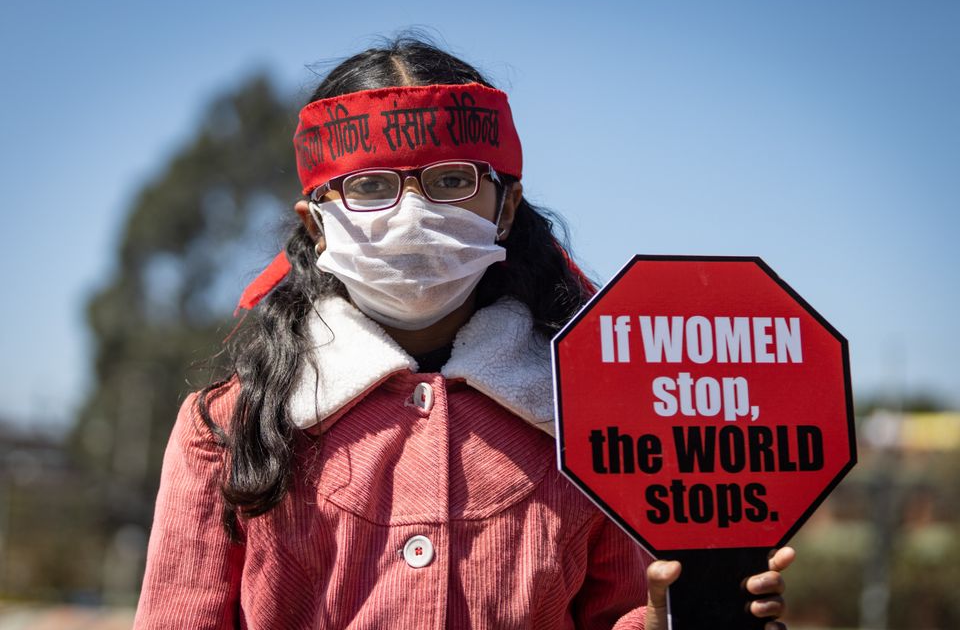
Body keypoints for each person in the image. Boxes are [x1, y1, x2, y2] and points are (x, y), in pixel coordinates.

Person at [134, 37, 794, 629]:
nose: (414, 213)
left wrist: (674, 620)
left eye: (452, 181)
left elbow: (621, 609)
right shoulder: (226, 427)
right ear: (315, 226)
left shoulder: (590, 419)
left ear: (505, 206)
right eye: (369, 186)